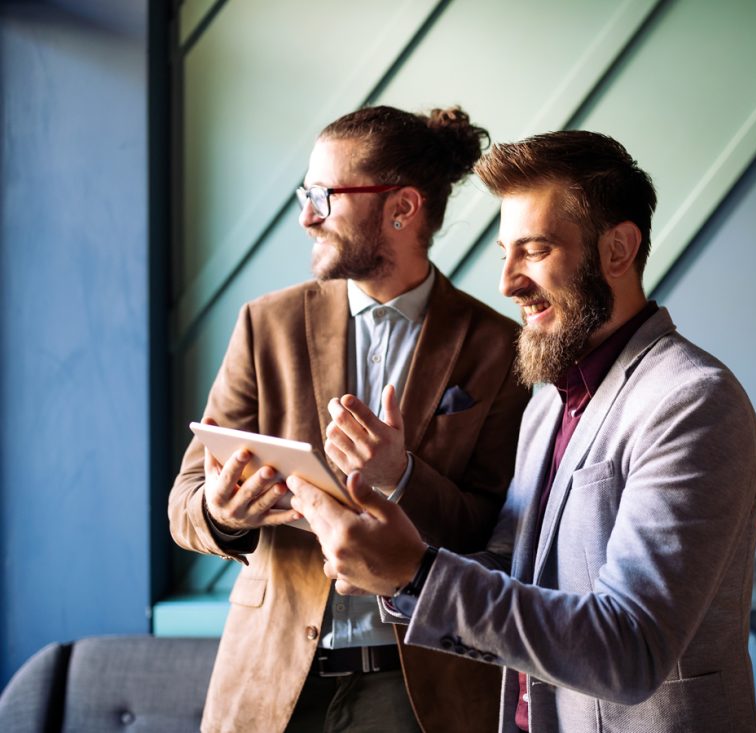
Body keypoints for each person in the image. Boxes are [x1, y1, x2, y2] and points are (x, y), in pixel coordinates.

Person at [288, 130, 756, 732]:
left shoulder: (693, 403)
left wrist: (415, 571)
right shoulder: (545, 407)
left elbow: (629, 649)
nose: (507, 282)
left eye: (535, 251)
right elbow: (510, 572)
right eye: (504, 253)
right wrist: (395, 512)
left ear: (618, 251)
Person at [168, 105, 530, 733]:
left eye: (324, 196)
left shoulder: (499, 346)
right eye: (305, 195)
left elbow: (495, 533)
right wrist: (223, 516)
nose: (306, 216)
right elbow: (185, 503)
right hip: (272, 679)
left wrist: (403, 476)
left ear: (401, 208)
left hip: (422, 687)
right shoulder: (265, 326)